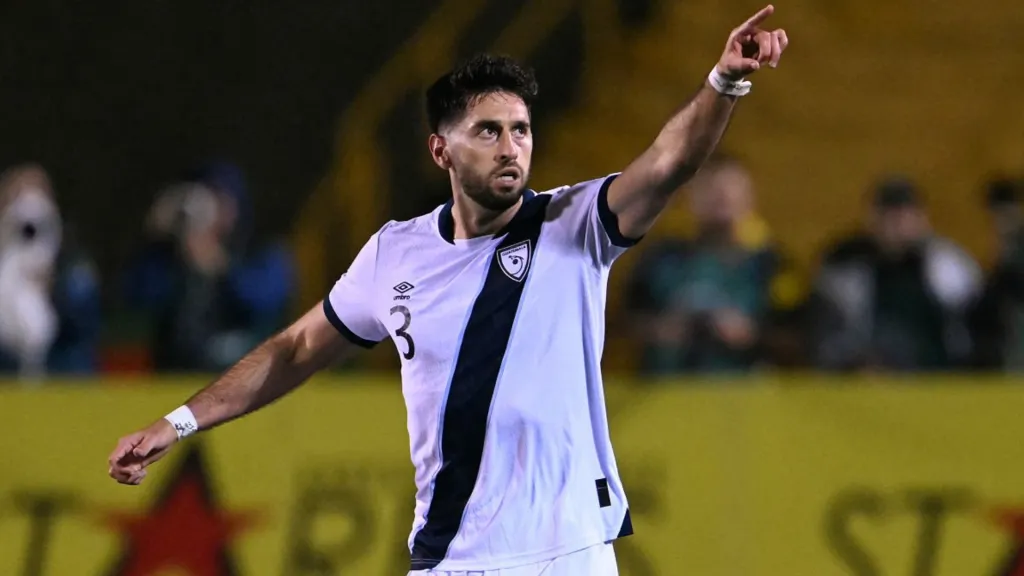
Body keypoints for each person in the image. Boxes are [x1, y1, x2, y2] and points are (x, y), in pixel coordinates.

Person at [108, 6, 788, 574]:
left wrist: (724, 82)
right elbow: (295, 349)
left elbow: (671, 162)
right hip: (449, 558)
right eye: (488, 131)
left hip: (566, 551)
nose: (510, 147)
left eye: (520, 130)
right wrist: (179, 422)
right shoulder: (393, 253)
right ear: (442, 151)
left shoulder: (575, 225)